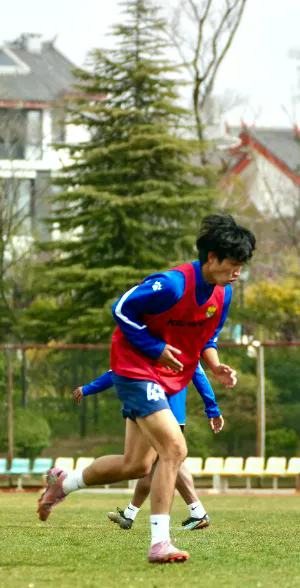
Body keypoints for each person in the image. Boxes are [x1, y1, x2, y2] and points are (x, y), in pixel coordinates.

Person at [39, 212, 256, 563]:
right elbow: (121, 309)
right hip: (134, 366)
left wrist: (215, 365)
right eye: (233, 263)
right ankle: (160, 542)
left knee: (136, 465)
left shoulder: (223, 295)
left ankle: (63, 483)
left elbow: (207, 335)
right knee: (174, 448)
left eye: (242, 265)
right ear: (212, 258)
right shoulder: (171, 284)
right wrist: (155, 348)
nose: (238, 272)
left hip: (169, 375)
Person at [73, 365, 224, 531]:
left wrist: (88, 388)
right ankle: (130, 515)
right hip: (176, 415)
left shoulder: (148, 343)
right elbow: (199, 376)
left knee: (148, 463)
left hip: (155, 413)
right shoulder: (186, 345)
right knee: (158, 465)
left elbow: (119, 371)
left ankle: (197, 514)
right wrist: (212, 409)